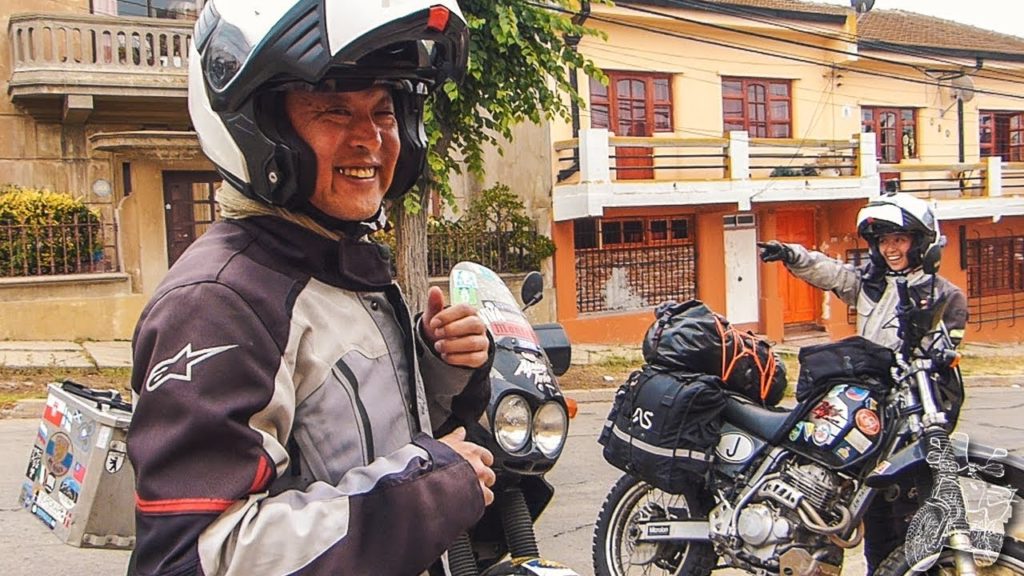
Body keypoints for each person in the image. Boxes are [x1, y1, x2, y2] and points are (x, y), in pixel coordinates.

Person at [126, 1, 497, 575]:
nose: (370, 139)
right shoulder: (219, 301)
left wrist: (441, 366)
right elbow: (192, 559)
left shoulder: (337, 263)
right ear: (260, 127)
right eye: (333, 111)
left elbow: (356, 441)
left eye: (383, 111)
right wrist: (431, 490)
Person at [758, 191, 968, 575]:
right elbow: (834, 273)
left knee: (910, 508)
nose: (890, 249)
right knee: (864, 507)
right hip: (867, 411)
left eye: (899, 240)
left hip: (911, 418)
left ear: (920, 242)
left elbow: (941, 357)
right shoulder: (874, 283)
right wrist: (792, 255)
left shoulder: (944, 295)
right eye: (884, 241)